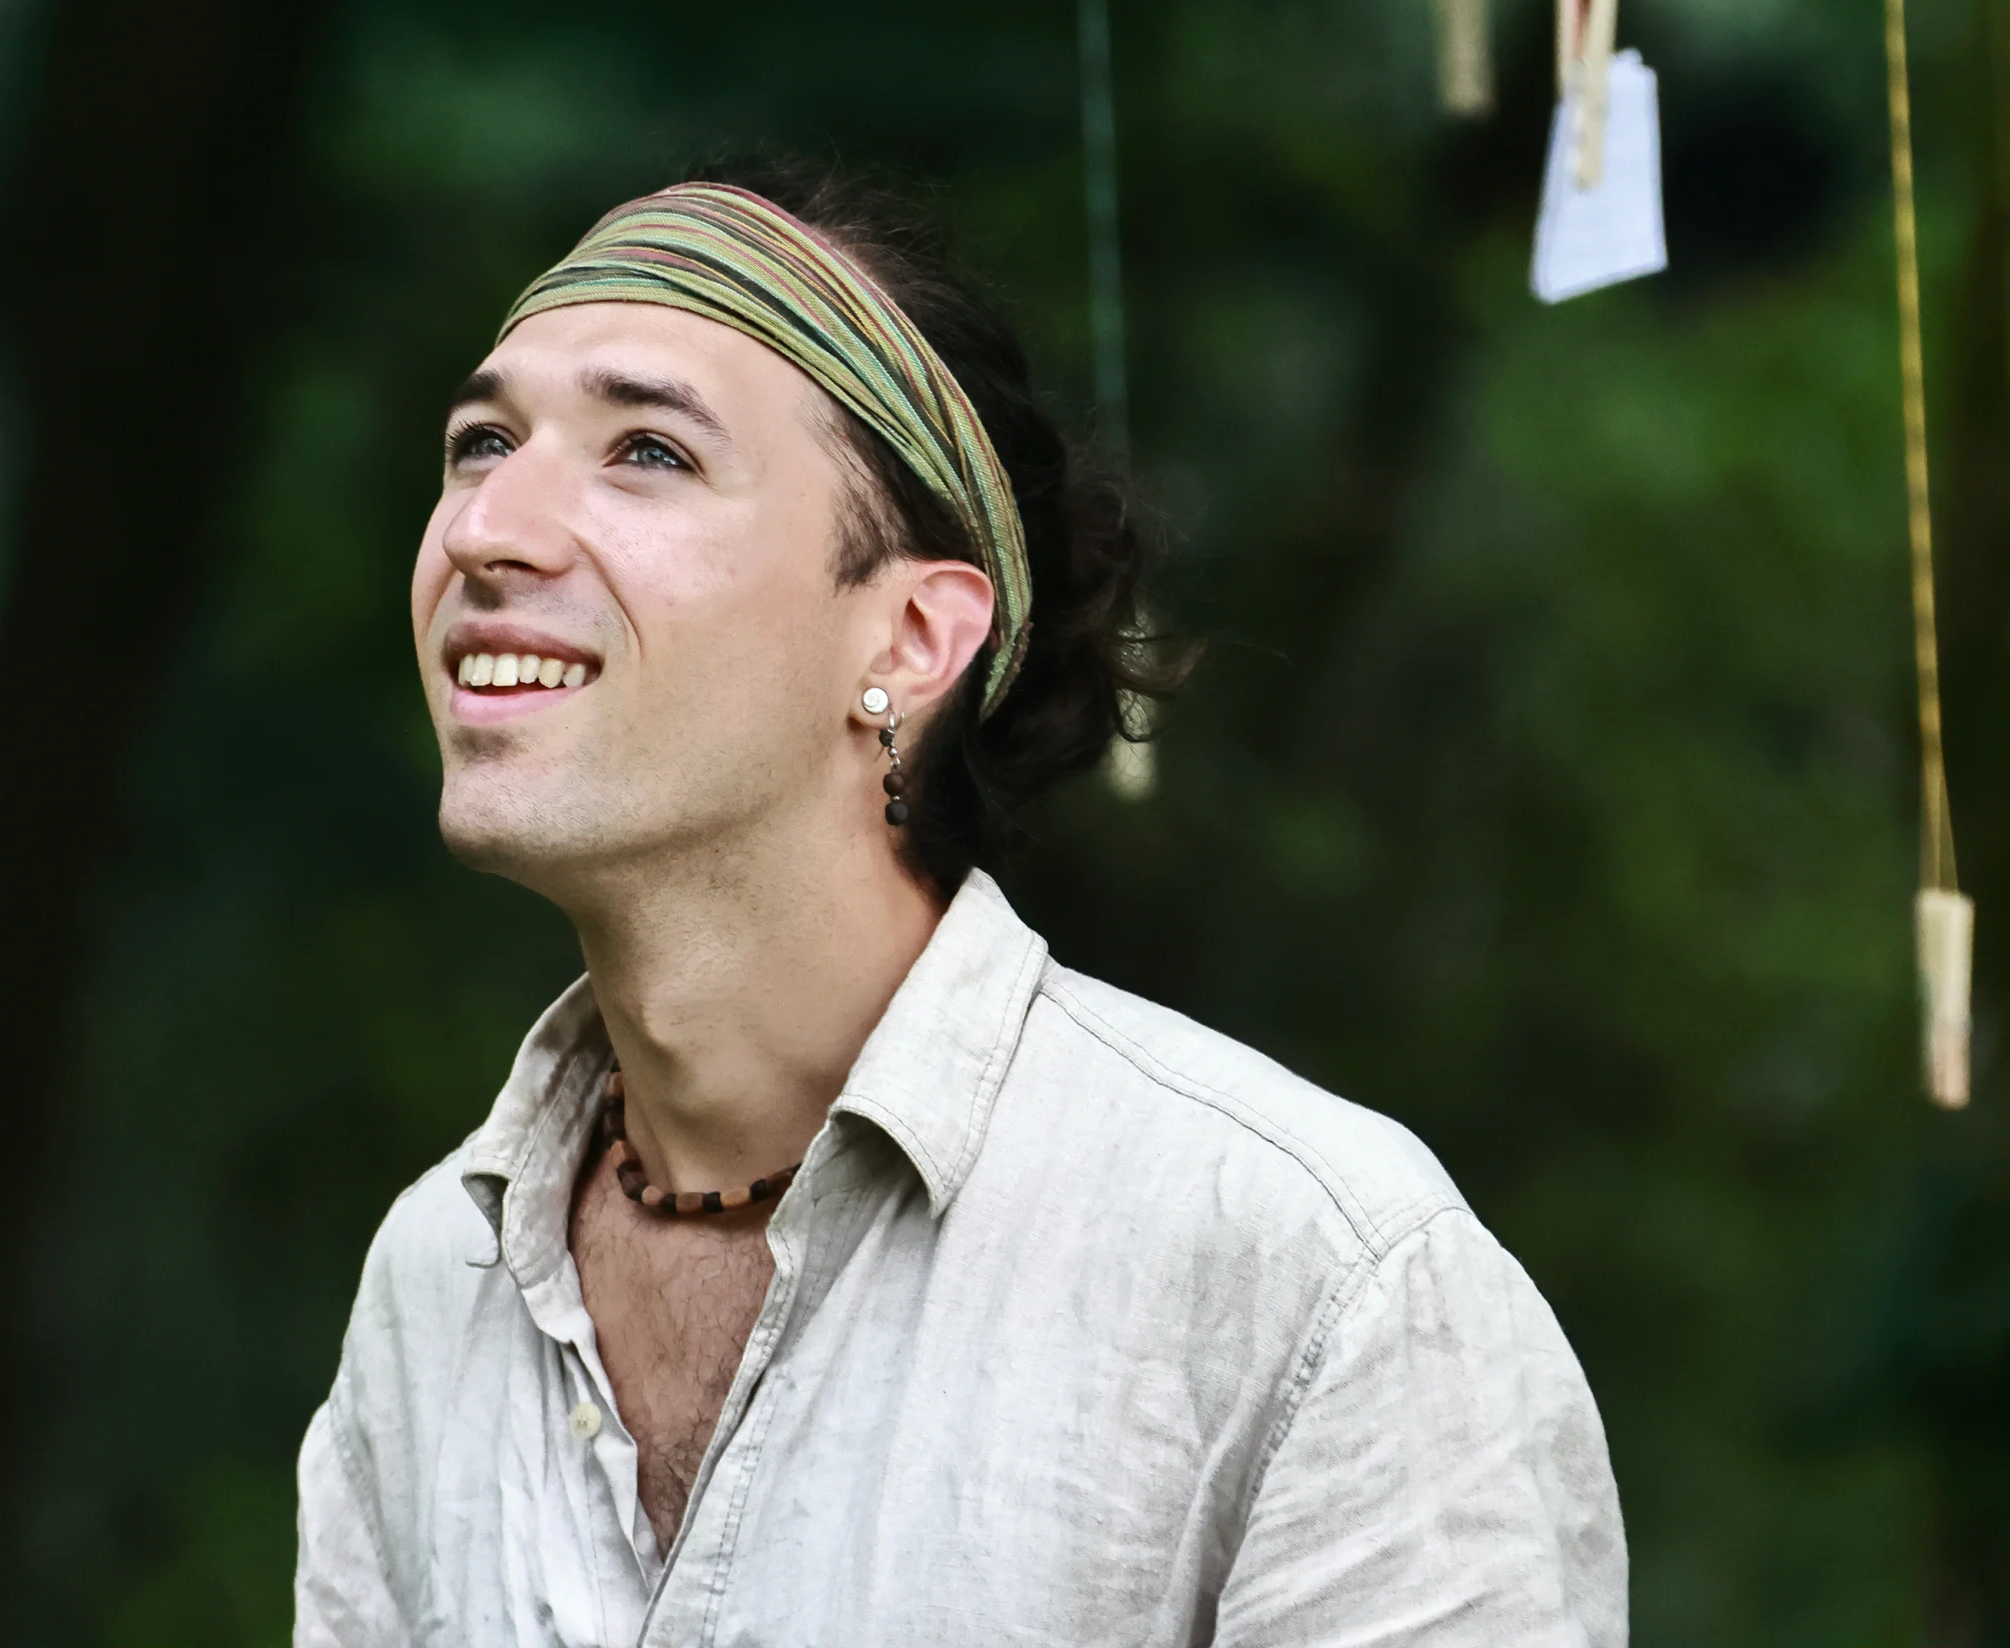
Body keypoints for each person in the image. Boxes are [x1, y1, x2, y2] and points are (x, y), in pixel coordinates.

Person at [294, 172, 1625, 1647]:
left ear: (915, 637)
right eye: (482, 441)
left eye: (649, 451)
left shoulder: (1313, 1284)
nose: (491, 524)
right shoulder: (434, 1286)